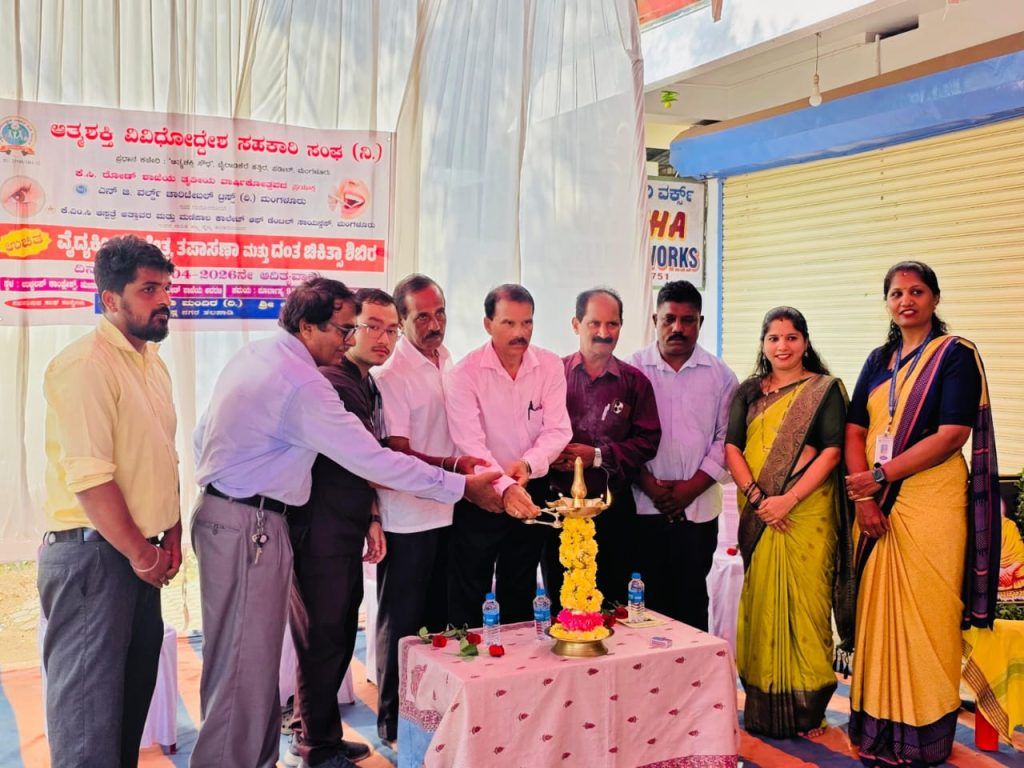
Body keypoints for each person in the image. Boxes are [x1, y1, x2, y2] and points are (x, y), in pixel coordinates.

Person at [191, 277, 501, 768]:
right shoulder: (305, 384)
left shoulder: (260, 355)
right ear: (307, 326)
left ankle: (286, 751)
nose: (351, 339)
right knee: (244, 671)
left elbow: (201, 435)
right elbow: (373, 460)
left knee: (251, 667)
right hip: (251, 523)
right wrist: (461, 486)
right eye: (345, 329)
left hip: (244, 515)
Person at [844, 261, 1001, 767]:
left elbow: (953, 434)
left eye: (916, 291)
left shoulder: (955, 355)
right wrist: (864, 497)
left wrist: (882, 476)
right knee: (877, 615)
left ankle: (923, 736)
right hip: (874, 500)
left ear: (934, 298)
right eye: (896, 293)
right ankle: (875, 728)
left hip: (931, 501)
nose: (905, 300)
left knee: (928, 617)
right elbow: (854, 430)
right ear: (887, 302)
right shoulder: (879, 359)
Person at [38, 235, 181, 768]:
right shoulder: (85, 365)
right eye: (148, 289)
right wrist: (141, 555)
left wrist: (170, 533)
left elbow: (162, 456)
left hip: (137, 557)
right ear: (110, 299)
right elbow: (90, 478)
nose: (163, 299)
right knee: (87, 729)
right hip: (94, 559)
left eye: (165, 288)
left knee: (123, 720)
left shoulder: (151, 364)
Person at [284, 288, 415, 767]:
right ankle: (315, 747)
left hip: (343, 526)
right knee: (321, 639)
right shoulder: (332, 381)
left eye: (392, 330)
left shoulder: (365, 381)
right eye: (371, 326)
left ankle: (318, 733)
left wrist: (372, 516)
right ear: (349, 329)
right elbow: (370, 459)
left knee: (337, 633)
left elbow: (360, 465)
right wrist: (456, 479)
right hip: (317, 528)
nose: (384, 339)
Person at [724, 306, 855, 738]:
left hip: (807, 512)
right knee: (762, 604)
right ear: (763, 344)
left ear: (805, 342)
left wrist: (788, 500)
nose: (783, 346)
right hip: (760, 511)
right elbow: (732, 448)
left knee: (808, 607)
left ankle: (809, 709)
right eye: (774, 338)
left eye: (791, 337)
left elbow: (833, 451)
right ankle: (763, 707)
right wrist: (760, 499)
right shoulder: (747, 392)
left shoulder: (824, 390)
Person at [371, 275, 486, 744]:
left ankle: (432, 715)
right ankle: (392, 721)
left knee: (441, 618)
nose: (434, 324)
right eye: (422, 316)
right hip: (408, 517)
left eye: (440, 313)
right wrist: (454, 467)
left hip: (452, 509)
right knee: (401, 623)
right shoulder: (391, 375)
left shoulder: (448, 359)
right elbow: (396, 451)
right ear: (401, 321)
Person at [445, 283, 572, 626]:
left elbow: (558, 429)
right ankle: (469, 656)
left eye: (527, 323)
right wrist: (504, 486)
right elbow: (470, 443)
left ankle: (515, 658)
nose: (520, 333)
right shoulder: (464, 374)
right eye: (509, 323)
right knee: (470, 585)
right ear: (488, 324)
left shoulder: (549, 365)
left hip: (531, 486)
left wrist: (529, 464)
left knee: (520, 584)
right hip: (481, 492)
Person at [628, 280, 738, 630]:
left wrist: (689, 489)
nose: (678, 328)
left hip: (698, 510)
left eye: (688, 320)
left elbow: (727, 439)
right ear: (655, 320)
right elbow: (621, 437)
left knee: (691, 602)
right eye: (669, 319)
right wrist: (650, 486)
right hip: (642, 508)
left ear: (700, 322)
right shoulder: (632, 371)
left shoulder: (721, 376)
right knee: (644, 605)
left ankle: (693, 667)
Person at [545, 288, 661, 610]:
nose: (604, 332)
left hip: (614, 512)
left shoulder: (635, 383)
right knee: (561, 607)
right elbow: (529, 433)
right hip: (558, 511)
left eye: (612, 324)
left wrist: (596, 456)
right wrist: (550, 454)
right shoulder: (552, 376)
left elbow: (648, 442)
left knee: (614, 608)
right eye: (594, 323)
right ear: (576, 324)